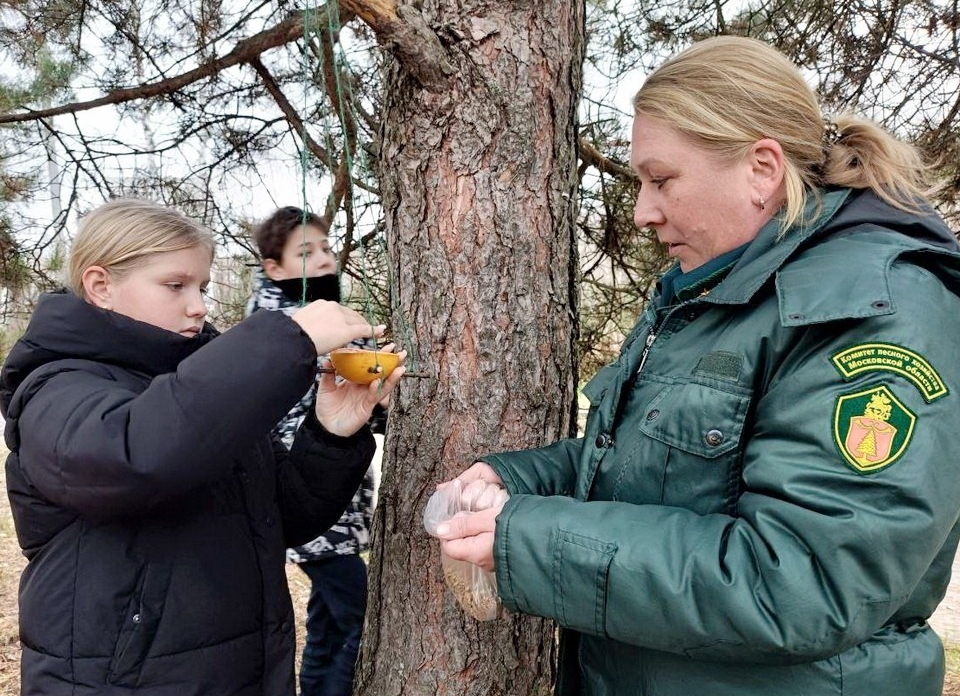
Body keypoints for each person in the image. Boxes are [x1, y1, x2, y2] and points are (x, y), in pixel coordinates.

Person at [433, 35, 960, 696]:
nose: (643, 212)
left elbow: (804, 581)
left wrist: (528, 538)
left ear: (762, 168)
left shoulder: (875, 306)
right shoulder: (710, 291)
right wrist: (516, 480)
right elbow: (652, 458)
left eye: (662, 179)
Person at [0, 198, 404, 696]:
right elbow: (134, 457)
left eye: (202, 286)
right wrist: (283, 339)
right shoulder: (56, 388)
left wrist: (332, 432)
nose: (199, 305)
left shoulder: (199, 392)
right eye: (175, 285)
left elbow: (284, 516)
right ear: (101, 285)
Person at [245, 206, 380, 696]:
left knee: (328, 625)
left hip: (330, 509)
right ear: (274, 269)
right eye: (305, 252)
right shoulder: (287, 327)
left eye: (325, 248)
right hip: (306, 502)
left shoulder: (313, 319)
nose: (324, 260)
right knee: (358, 620)